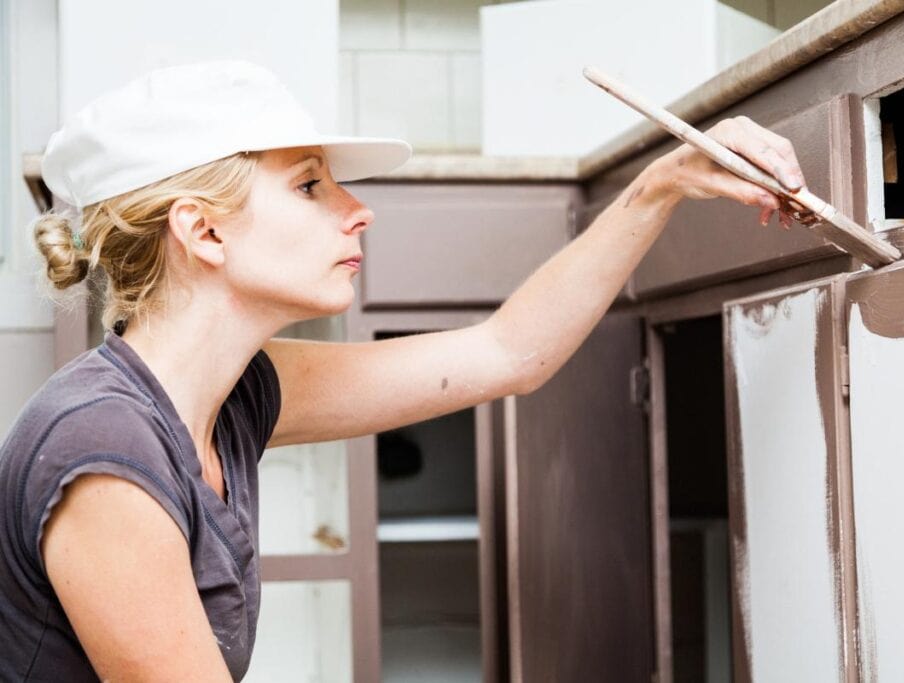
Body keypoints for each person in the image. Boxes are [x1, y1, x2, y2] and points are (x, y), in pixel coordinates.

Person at [0, 59, 805, 681]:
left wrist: (661, 184)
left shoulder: (235, 394)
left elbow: (506, 354)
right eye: (310, 184)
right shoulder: (103, 452)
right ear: (203, 232)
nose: (357, 207)